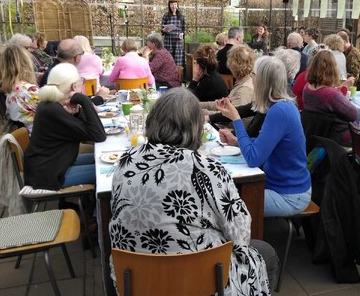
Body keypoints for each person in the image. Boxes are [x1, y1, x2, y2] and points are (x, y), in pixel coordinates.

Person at [109, 88, 276, 294]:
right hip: (200, 282)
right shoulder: (208, 170)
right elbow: (240, 234)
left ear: (152, 121)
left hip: (137, 281)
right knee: (265, 253)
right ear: (196, 128)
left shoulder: (125, 163)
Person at [216, 56, 312, 217]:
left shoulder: (279, 111)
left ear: (262, 81)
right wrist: (236, 141)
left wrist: (236, 120)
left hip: (288, 195)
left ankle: (244, 241)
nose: (251, 78)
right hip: (284, 187)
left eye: (253, 74)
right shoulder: (284, 106)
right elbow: (264, 145)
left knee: (224, 203)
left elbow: (254, 158)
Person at [24, 64, 106, 190]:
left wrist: (78, 111)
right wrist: (84, 100)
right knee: (108, 171)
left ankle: (89, 204)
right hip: (50, 175)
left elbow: (89, 131)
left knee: (100, 158)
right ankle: (95, 208)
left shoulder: (51, 104)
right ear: (74, 86)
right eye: (80, 82)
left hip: (53, 164)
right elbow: (98, 135)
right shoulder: (52, 110)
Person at [302, 50, 358, 146]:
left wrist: (342, 88)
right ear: (332, 69)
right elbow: (353, 114)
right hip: (337, 138)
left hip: (316, 135)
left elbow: (328, 105)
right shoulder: (330, 94)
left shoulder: (307, 88)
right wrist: (343, 88)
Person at [201, 45, 255, 110]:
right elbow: (220, 105)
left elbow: (231, 116)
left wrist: (200, 112)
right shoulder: (243, 82)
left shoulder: (245, 89)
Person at [0, 44, 39, 133]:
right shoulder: (30, 90)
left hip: (24, 137)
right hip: (38, 139)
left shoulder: (12, 89)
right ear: (26, 62)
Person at [161, 0, 186, 67]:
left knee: (178, 60)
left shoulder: (181, 16)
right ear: (169, 6)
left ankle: (178, 75)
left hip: (178, 40)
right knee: (168, 58)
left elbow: (185, 28)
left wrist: (182, 34)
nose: (173, 6)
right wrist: (165, 30)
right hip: (168, 40)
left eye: (175, 4)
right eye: (171, 4)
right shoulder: (166, 15)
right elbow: (162, 28)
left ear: (177, 5)